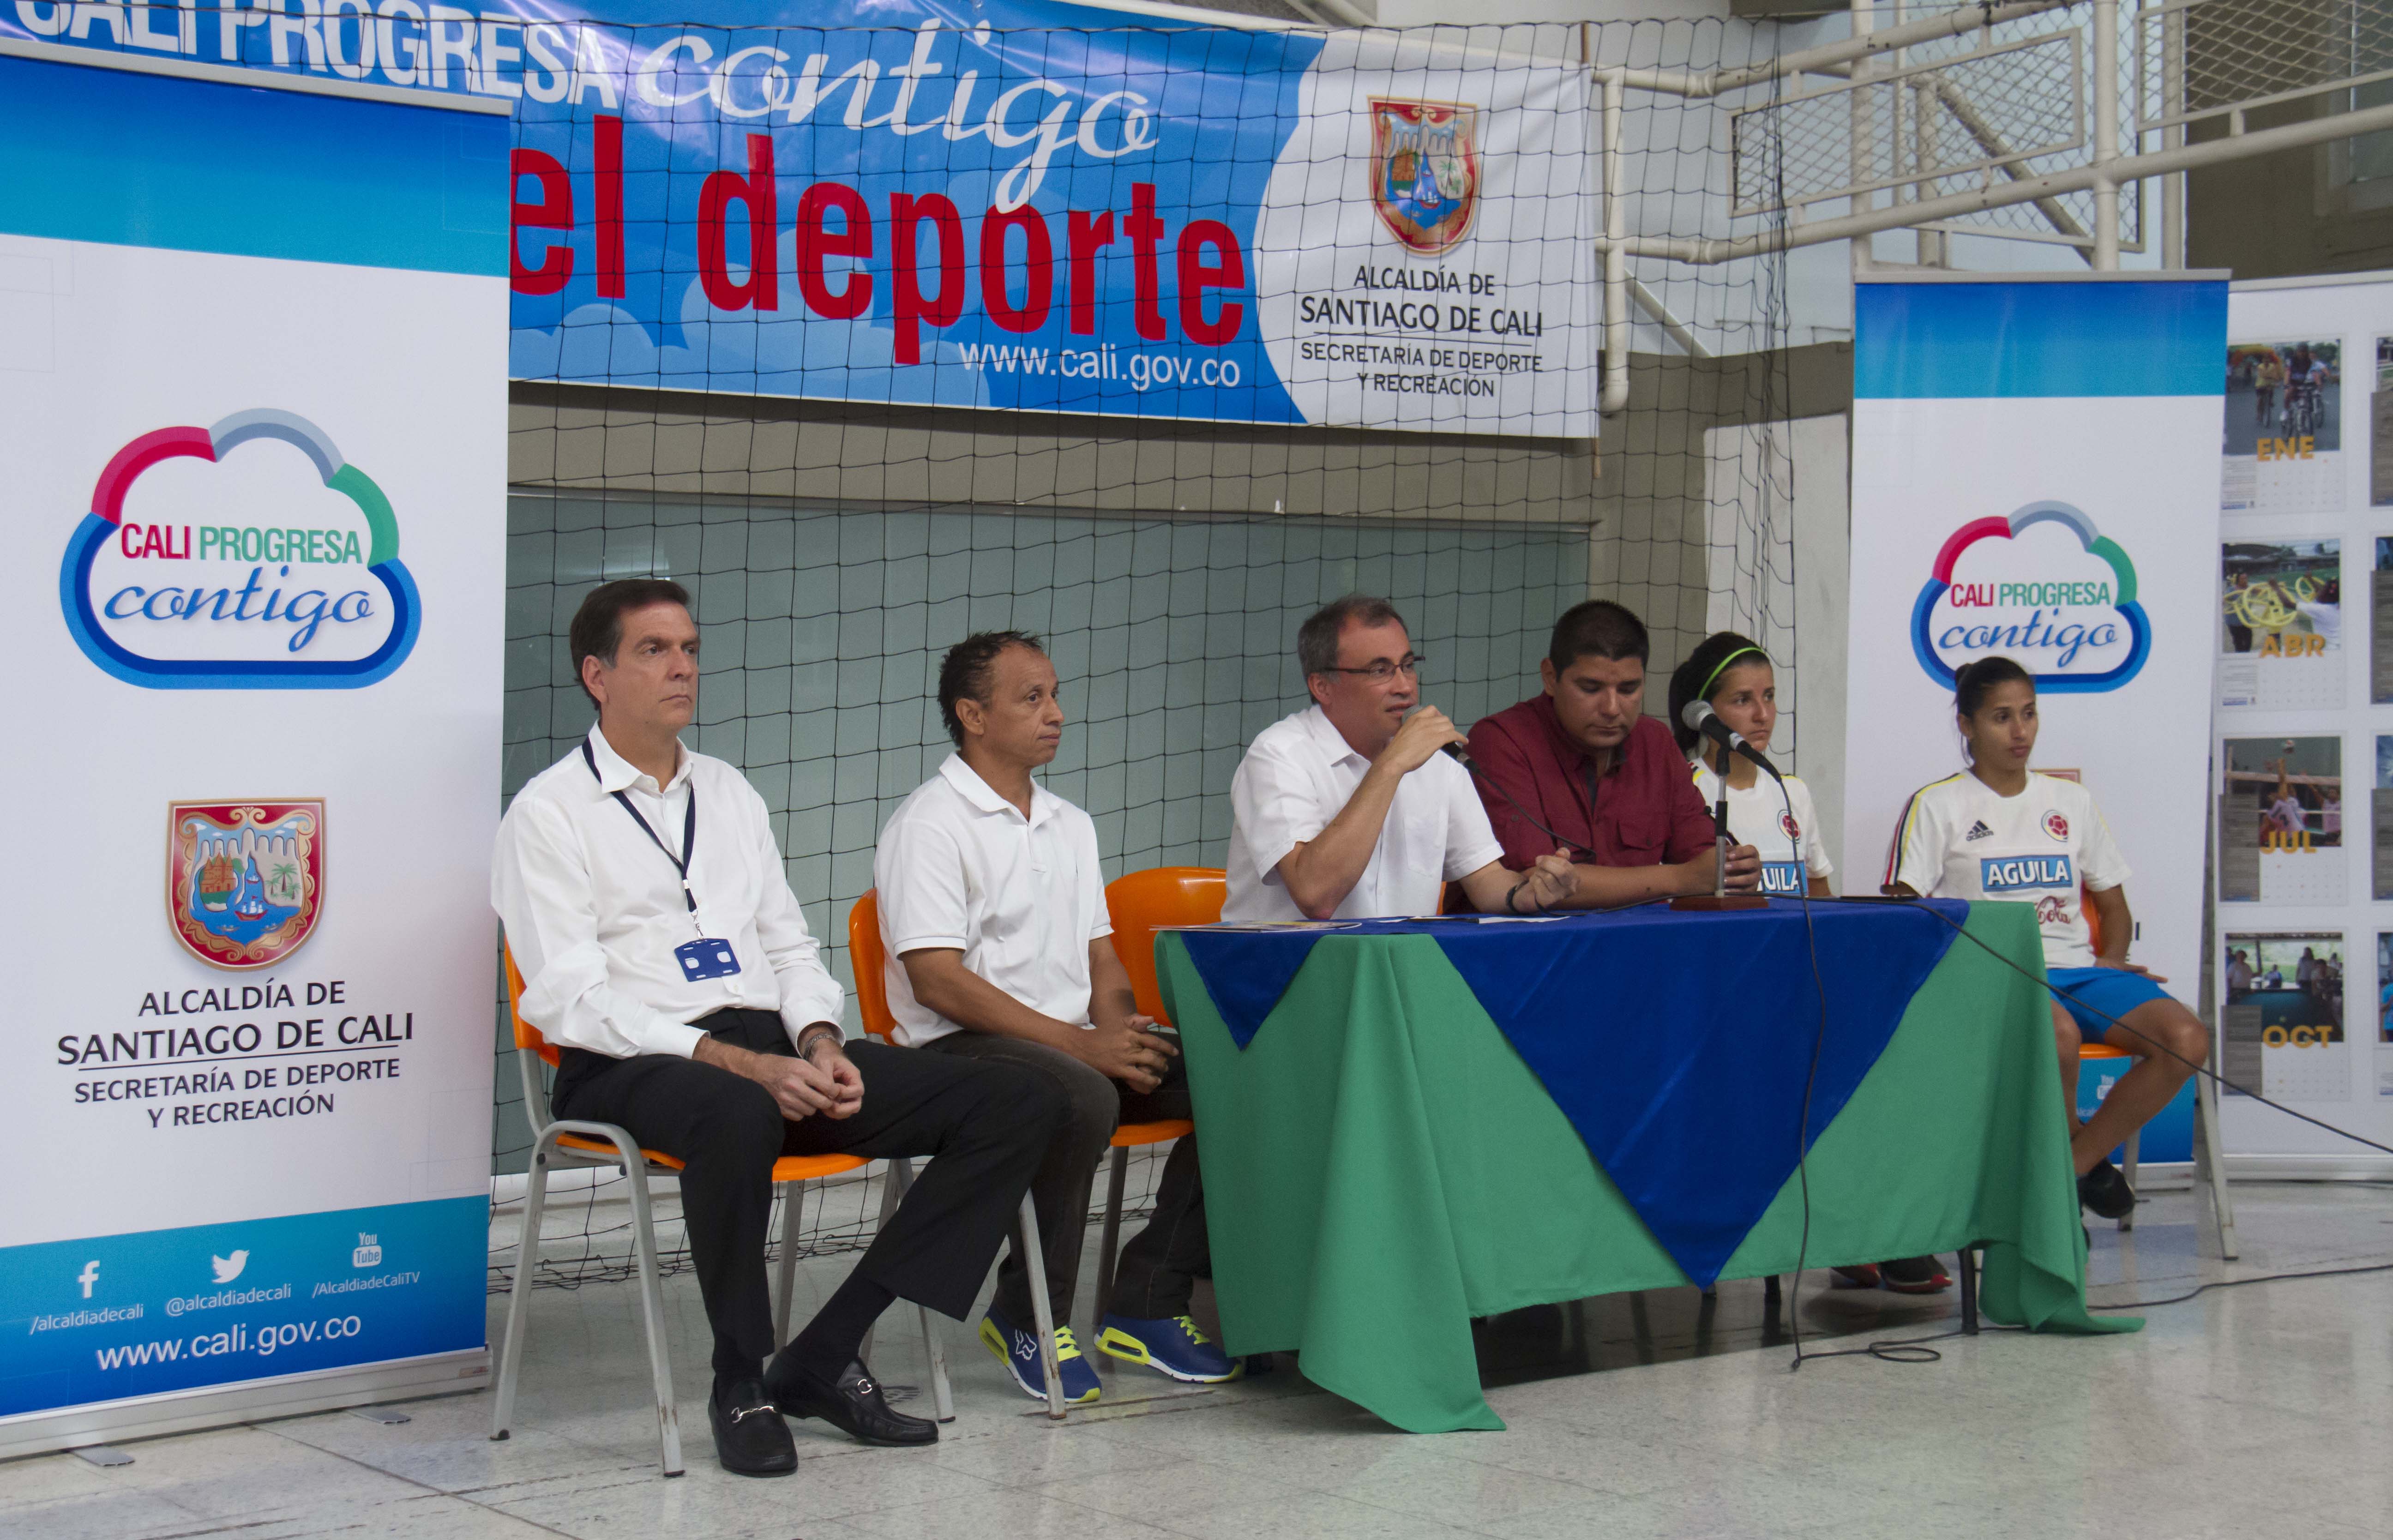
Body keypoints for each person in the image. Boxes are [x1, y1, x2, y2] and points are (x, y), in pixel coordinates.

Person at [493, 580, 1063, 1477]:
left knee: (1018, 1100)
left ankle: (824, 1354)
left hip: (768, 1050)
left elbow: (789, 945)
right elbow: (568, 998)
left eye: (689, 648)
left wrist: (820, 1042)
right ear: (596, 676)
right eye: (654, 650)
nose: (682, 667)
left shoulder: (727, 792)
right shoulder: (547, 812)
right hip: (629, 1059)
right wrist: (732, 1062)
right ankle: (739, 1382)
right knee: (736, 1109)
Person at [877, 631, 1231, 1407]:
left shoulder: (1071, 823)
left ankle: (1148, 1298)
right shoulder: (928, 824)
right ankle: (1029, 1314)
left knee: (1231, 1076)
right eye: (1031, 698)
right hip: (958, 1050)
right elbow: (936, 982)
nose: (1056, 713)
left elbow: (1099, 954)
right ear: (973, 715)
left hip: (1070, 1042)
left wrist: (1121, 1033)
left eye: (1055, 695)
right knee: (1080, 1093)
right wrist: (1083, 1047)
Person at [1663, 633, 1947, 1295]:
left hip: (1798, 982)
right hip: (1728, 992)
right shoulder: (1685, 789)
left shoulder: (1791, 790)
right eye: (1742, 700)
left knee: (1884, 1050)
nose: (1762, 714)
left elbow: (1819, 893)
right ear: (1705, 712)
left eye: (1769, 697)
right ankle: (1846, 1232)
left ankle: (1882, 1226)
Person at [1885, 656, 2209, 1221]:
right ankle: (2061, 1207)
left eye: (2029, 714)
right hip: (1996, 975)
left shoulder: (2070, 801)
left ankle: (2072, 1169)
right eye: (2002, 717)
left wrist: (2112, 958)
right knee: (2057, 1033)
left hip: (2079, 971)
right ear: (1966, 725)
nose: (2021, 731)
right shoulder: (1937, 803)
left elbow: (2114, 907)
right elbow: (1902, 911)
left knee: (2186, 1038)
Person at [1223, 594, 1578, 923]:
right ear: (1322, 686)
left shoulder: (1437, 760)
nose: (1405, 686)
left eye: (1407, 666)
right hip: (1286, 965)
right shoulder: (1278, 755)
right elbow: (1316, 897)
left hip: (1399, 960)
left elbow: (1487, 880)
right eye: (1380, 671)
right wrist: (1391, 766)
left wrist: (1529, 894)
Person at [1466, 600, 1762, 904]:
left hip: (1639, 933)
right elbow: (1537, 885)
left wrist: (1734, 870)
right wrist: (1680, 879)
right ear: (1551, 678)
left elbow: (1703, 857)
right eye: (1591, 688)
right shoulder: (1501, 742)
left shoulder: (1655, 743)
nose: (1611, 709)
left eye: (1628, 690)